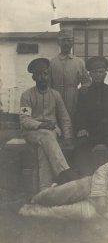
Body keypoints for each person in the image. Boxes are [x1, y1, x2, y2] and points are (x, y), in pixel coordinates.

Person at [20, 58, 77, 191]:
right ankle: (64, 171)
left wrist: (68, 137)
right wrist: (41, 125)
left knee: (43, 150)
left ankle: (44, 190)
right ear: (34, 77)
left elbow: (64, 118)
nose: (43, 77)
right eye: (39, 74)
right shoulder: (26, 95)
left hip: (50, 133)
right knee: (46, 134)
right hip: (31, 132)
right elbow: (24, 120)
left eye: (45, 74)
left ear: (48, 75)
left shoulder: (55, 95)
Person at [74, 56, 108, 174]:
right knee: (80, 147)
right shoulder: (84, 93)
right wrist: (81, 128)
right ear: (90, 74)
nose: (98, 75)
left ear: (105, 74)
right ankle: (85, 176)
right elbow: (79, 113)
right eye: (94, 72)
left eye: (101, 72)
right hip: (90, 132)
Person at [50, 29, 91, 120]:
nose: (66, 43)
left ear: (72, 43)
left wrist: (84, 88)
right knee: (57, 118)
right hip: (56, 95)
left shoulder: (79, 62)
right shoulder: (52, 62)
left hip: (73, 96)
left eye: (69, 40)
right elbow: (49, 83)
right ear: (58, 42)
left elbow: (87, 81)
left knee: (73, 118)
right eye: (63, 40)